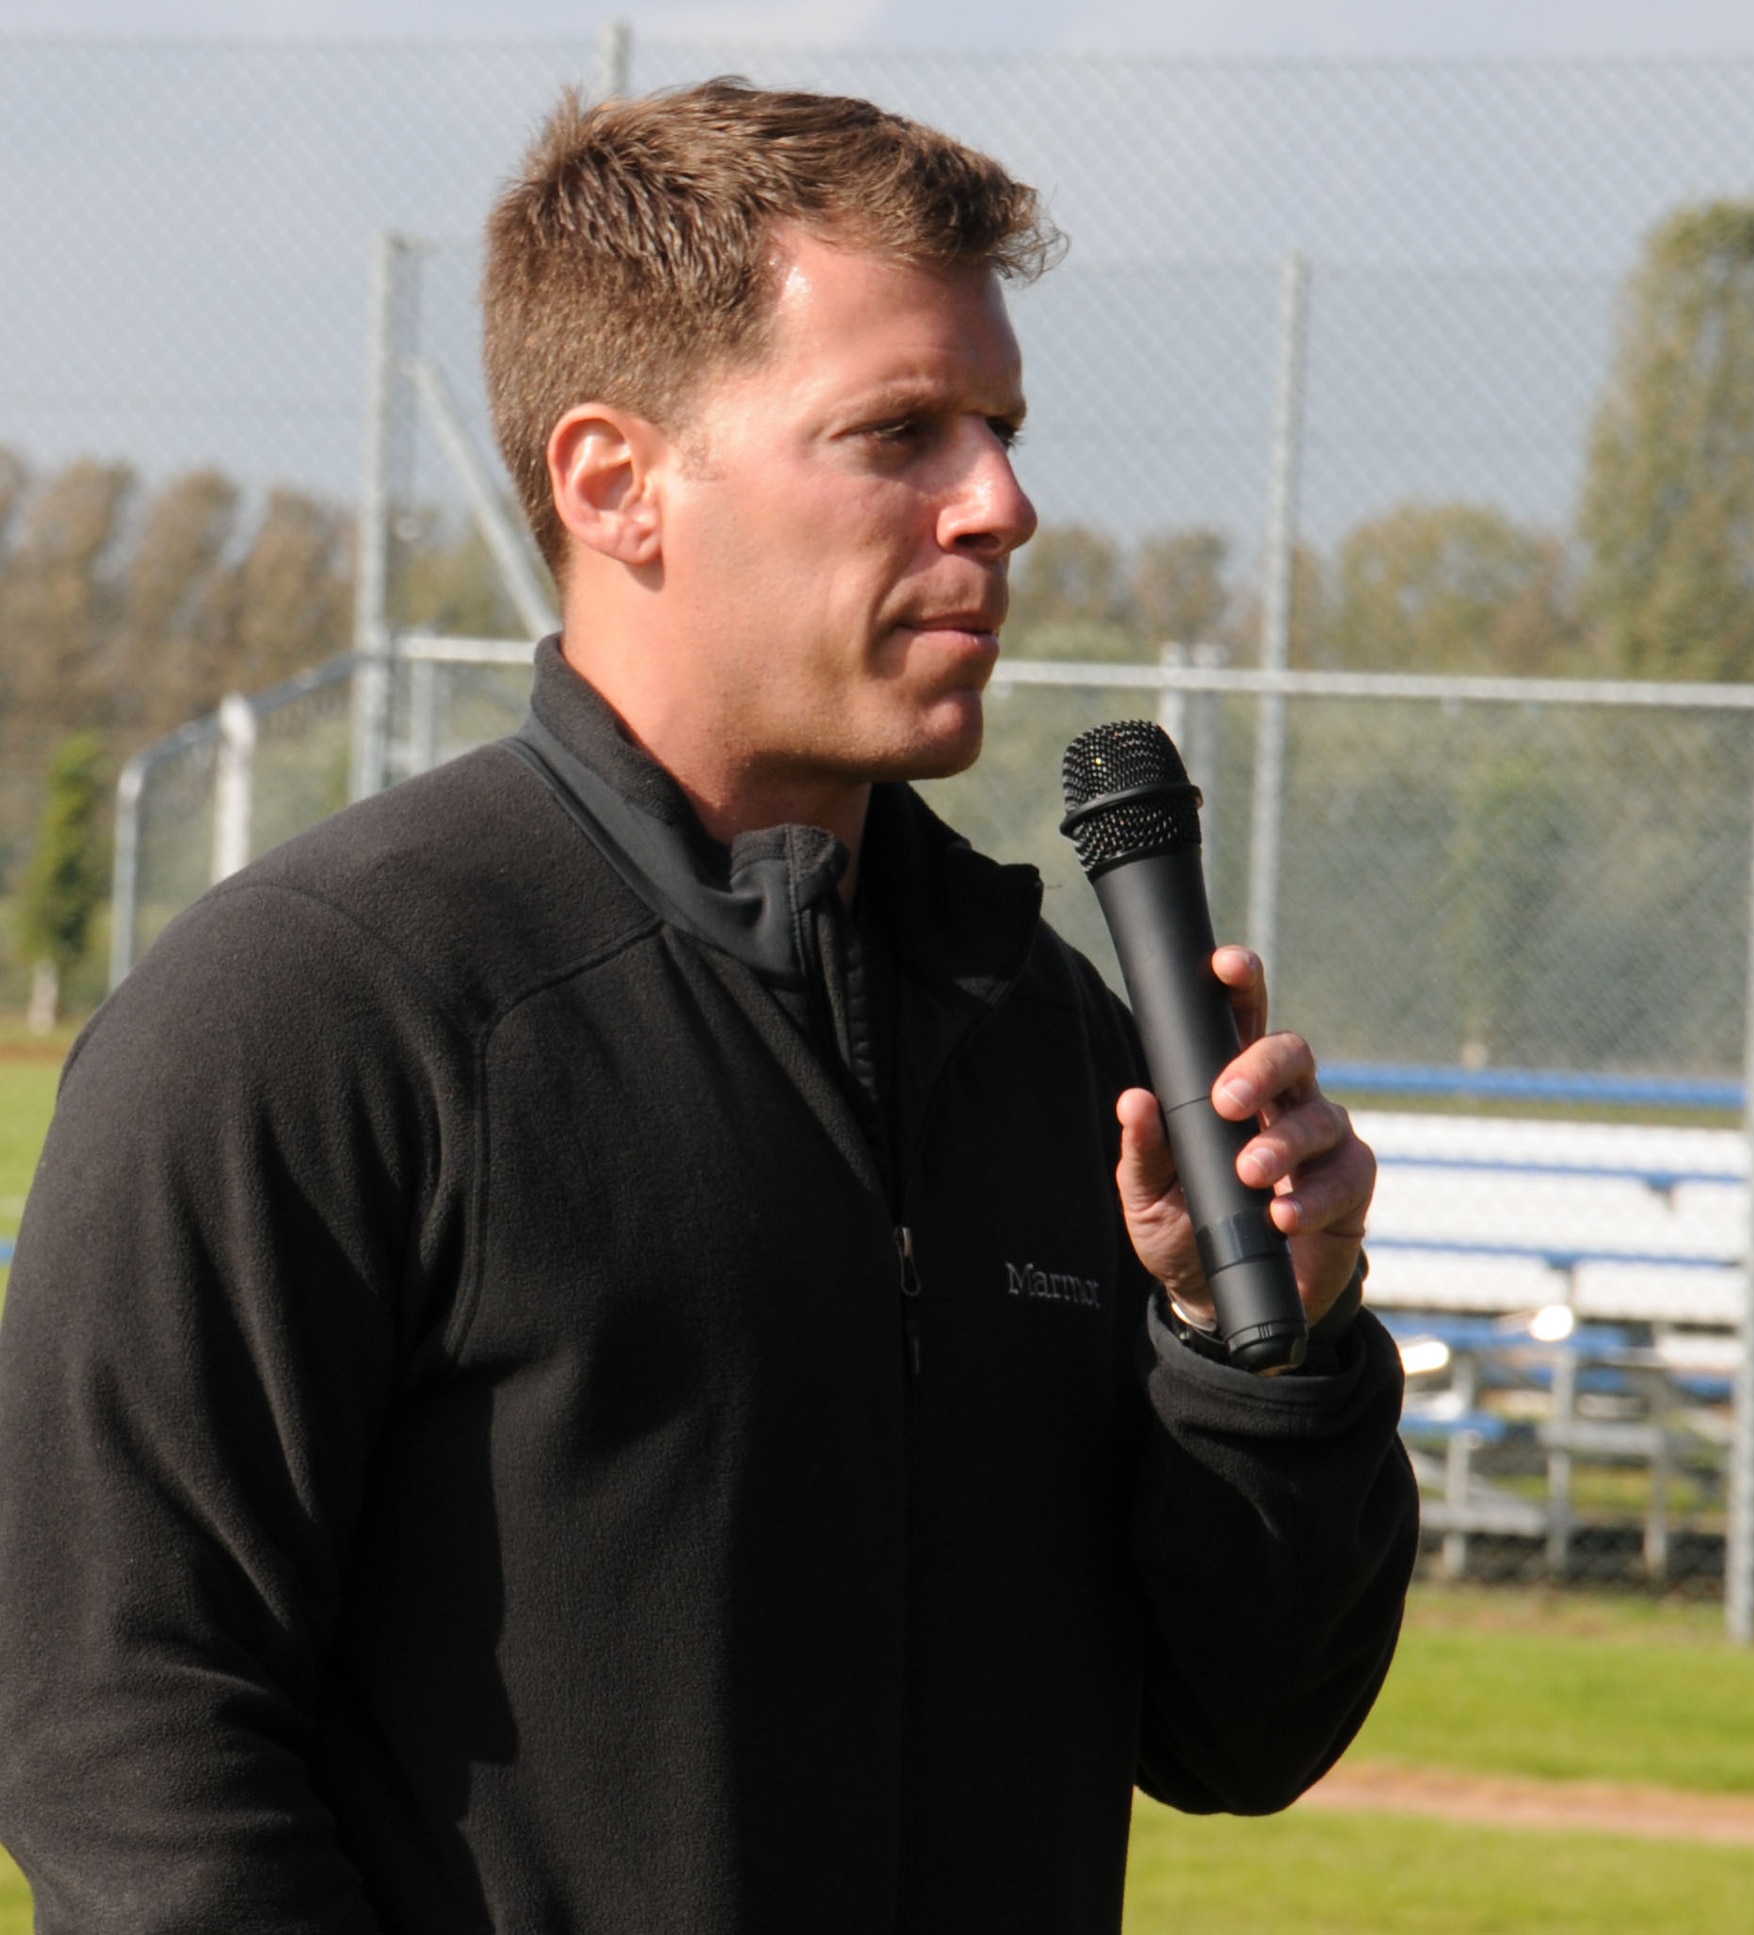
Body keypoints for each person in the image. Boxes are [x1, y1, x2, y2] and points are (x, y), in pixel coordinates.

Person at [0, 80, 1417, 1932]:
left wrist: (1260, 1360)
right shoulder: (319, 1012)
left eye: (997, 427)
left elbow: (1239, 1736)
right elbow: (122, 1738)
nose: (1001, 503)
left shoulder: (1049, 1035)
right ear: (617, 483)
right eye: (899, 431)